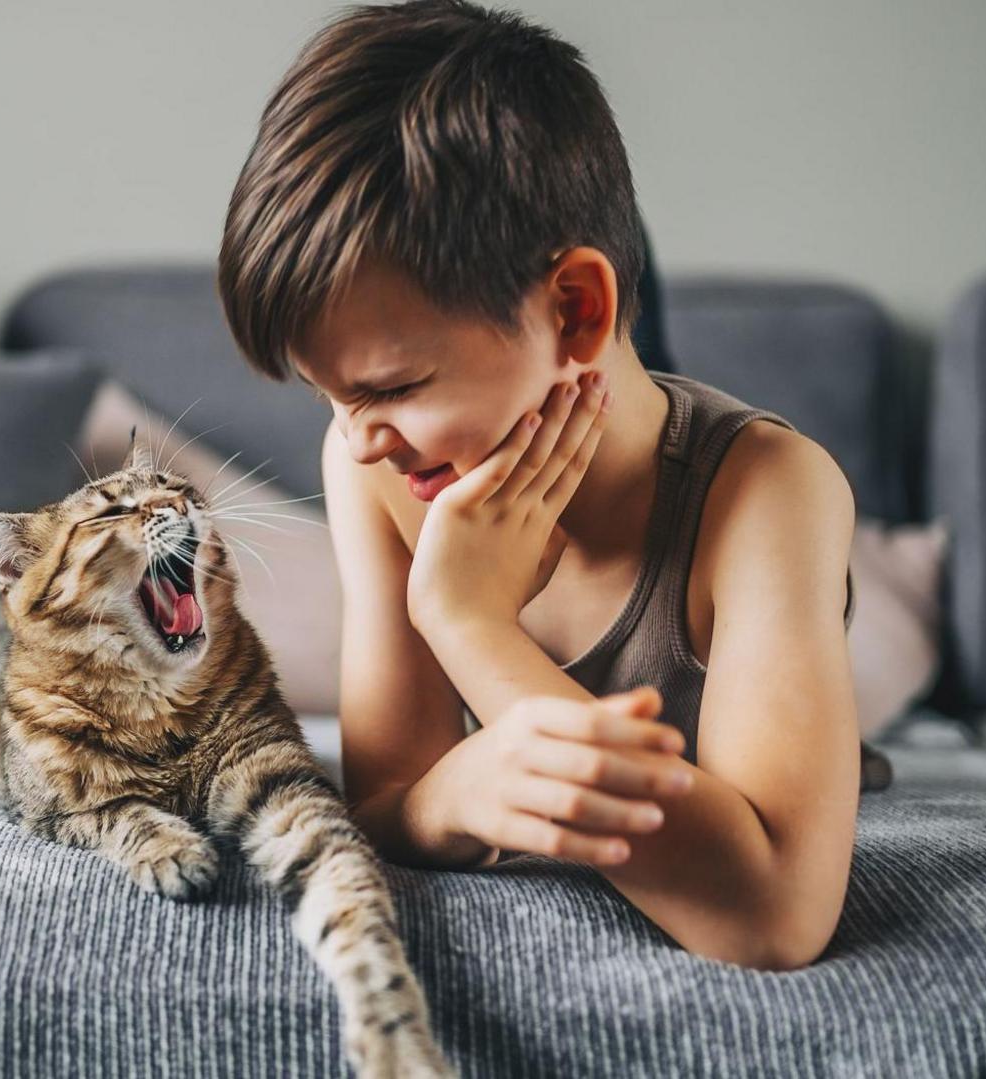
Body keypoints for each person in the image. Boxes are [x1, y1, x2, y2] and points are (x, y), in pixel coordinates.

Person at [215, 0, 861, 971]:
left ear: (575, 305)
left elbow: (773, 914)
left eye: (391, 386)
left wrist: (468, 621)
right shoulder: (375, 469)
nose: (356, 441)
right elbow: (389, 798)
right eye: (327, 395)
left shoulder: (772, 494)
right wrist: (451, 797)